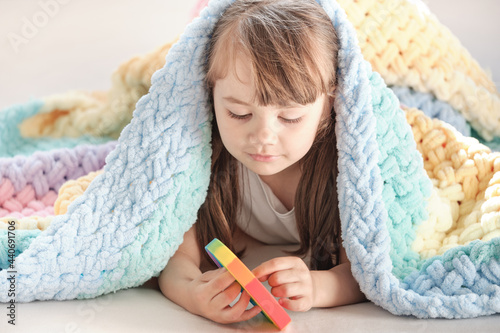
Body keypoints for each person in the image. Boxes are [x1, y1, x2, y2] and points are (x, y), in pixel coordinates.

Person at [159, 0, 366, 324]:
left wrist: (317, 285)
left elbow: (367, 270)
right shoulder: (200, 158)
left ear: (328, 104)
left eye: (290, 116)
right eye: (239, 113)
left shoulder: (345, 169)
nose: (263, 136)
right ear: (209, 94)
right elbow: (174, 257)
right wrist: (193, 293)